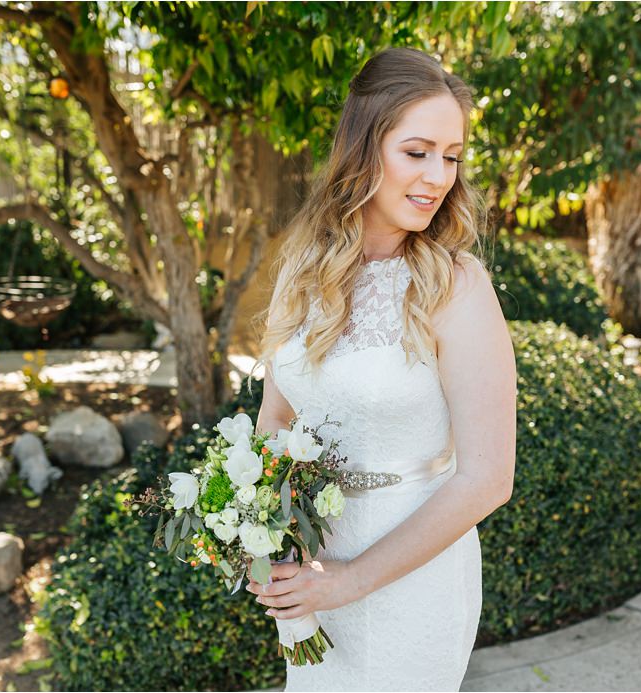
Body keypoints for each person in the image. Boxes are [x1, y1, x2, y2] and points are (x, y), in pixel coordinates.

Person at [246, 47, 516, 691]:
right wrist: (263, 538)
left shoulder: (457, 286)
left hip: (413, 586)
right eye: (417, 152)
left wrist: (349, 581)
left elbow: (487, 479)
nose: (438, 176)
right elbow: (277, 417)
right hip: (312, 575)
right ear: (363, 148)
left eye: (451, 156)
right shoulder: (304, 269)